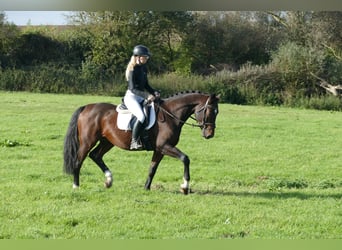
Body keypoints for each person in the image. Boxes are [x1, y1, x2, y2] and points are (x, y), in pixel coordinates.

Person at [123, 45, 160, 150]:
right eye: (145, 57)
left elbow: (146, 85)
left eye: (147, 57)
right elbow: (132, 88)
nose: (146, 58)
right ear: (137, 57)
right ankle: (134, 141)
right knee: (141, 117)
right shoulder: (132, 69)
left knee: (151, 113)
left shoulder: (143, 68)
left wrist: (154, 92)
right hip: (131, 97)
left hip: (140, 97)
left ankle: (146, 139)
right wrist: (147, 95)